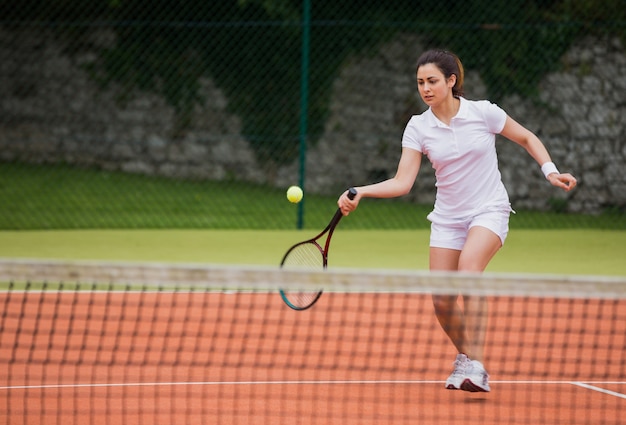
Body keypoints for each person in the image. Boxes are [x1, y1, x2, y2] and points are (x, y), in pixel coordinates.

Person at [337, 49, 577, 393]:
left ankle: (475, 365)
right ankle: (467, 359)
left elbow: (526, 137)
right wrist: (361, 190)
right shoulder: (418, 126)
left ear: (451, 81)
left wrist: (550, 171)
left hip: (488, 209)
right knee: (442, 300)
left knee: (469, 271)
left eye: (433, 81)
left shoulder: (483, 112)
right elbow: (403, 182)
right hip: (447, 218)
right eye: (420, 82)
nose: (426, 88)